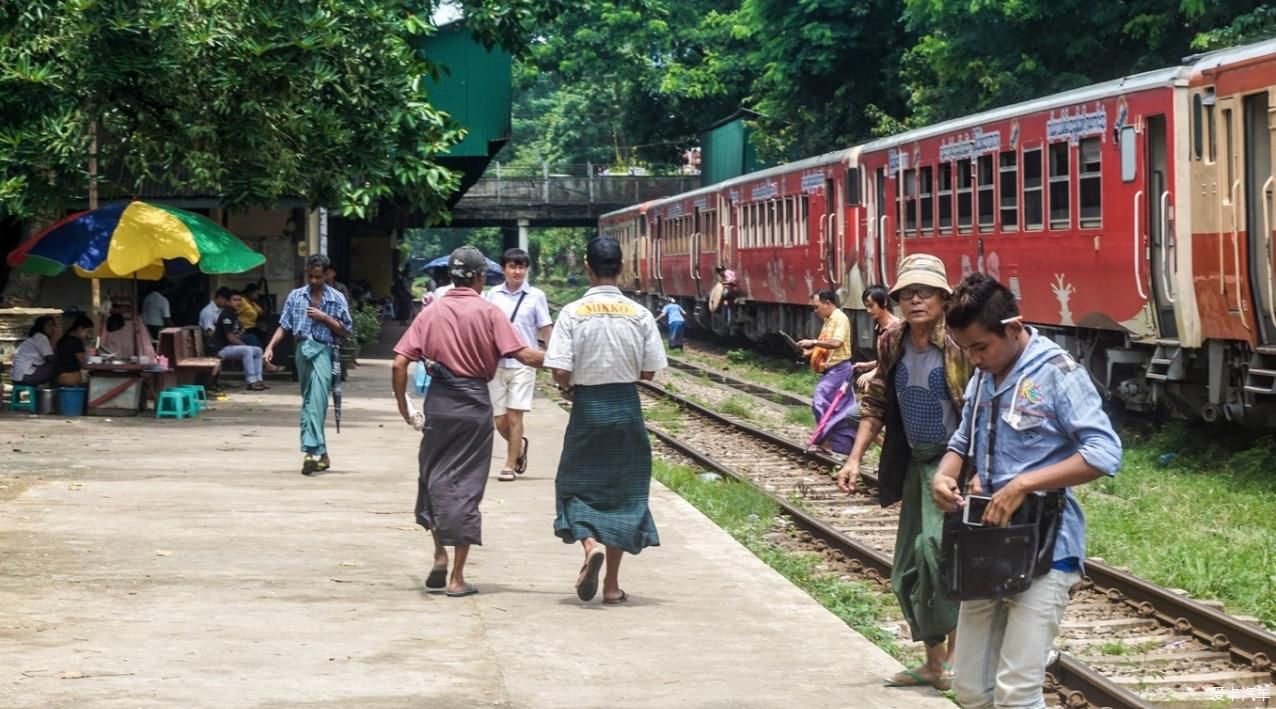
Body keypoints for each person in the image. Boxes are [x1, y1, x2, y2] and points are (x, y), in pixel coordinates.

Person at [933, 273, 1121, 709]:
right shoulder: (985, 374)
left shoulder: (1057, 374)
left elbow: (1104, 452)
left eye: (981, 347)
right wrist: (945, 474)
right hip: (986, 540)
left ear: (1014, 328)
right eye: (966, 350)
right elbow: (963, 440)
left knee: (1017, 691)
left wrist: (1024, 484)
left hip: (1046, 545)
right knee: (970, 689)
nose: (975, 359)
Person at [836, 254, 972, 690]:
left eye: (925, 292)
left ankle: (956, 658)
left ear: (943, 298)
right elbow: (875, 404)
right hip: (914, 464)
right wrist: (855, 457)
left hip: (952, 465)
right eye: (907, 293)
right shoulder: (891, 341)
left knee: (939, 553)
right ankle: (933, 661)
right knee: (908, 566)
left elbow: (975, 407)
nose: (915, 300)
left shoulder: (958, 343)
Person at [390, 246, 544, 597]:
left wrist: (403, 406)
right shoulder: (489, 312)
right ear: (478, 278)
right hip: (474, 405)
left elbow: (399, 363)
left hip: (440, 404)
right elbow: (524, 355)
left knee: (434, 477)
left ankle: (439, 555)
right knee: (466, 486)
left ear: (449, 276)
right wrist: (567, 363)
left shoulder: (431, 312)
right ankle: (457, 578)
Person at [545, 236, 667, 604]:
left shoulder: (570, 313)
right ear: (622, 267)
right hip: (626, 409)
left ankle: (589, 544)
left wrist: (569, 385)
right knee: (624, 494)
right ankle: (612, 586)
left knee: (575, 484)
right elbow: (649, 372)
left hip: (588, 409)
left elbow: (559, 371)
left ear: (587, 266)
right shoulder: (641, 314)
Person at [265, 254, 353, 476]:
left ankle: (311, 453)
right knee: (308, 401)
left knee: (318, 400)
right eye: (311, 276)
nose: (314, 281)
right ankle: (321, 454)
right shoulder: (296, 297)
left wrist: (324, 318)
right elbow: (284, 326)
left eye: (318, 277)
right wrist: (270, 347)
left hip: (324, 350)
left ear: (327, 275)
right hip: (302, 350)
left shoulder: (336, 298)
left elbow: (346, 332)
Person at [483, 248, 553, 482]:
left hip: (524, 364)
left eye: (522, 267)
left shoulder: (536, 296)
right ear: (503, 269)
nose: (517, 271)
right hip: (497, 364)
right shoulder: (492, 295)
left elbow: (545, 328)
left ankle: (509, 465)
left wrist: (553, 357)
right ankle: (520, 447)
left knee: (515, 417)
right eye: (513, 266)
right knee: (500, 420)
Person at [800, 289, 856, 455]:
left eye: (817, 307)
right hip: (833, 370)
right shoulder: (829, 320)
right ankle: (833, 443)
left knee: (819, 398)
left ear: (827, 303)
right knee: (838, 408)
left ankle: (825, 440)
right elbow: (825, 345)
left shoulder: (840, 319)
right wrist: (810, 351)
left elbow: (837, 342)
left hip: (839, 369)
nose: (815, 310)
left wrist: (813, 341)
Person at [214, 291, 268, 392]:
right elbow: (230, 338)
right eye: (234, 300)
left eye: (239, 300)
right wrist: (244, 345)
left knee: (258, 350)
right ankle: (251, 382)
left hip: (232, 348)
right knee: (247, 350)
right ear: (228, 302)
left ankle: (258, 380)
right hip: (223, 349)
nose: (238, 302)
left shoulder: (234, 314)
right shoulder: (226, 315)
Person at [12, 316, 58, 387]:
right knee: (57, 368)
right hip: (25, 376)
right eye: (49, 325)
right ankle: (55, 392)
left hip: (17, 376)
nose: (52, 328)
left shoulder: (36, 337)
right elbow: (50, 358)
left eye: (53, 325)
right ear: (41, 326)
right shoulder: (41, 337)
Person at [54, 315, 95, 387]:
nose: (88, 335)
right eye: (87, 331)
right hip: (71, 378)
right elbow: (84, 364)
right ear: (80, 328)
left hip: (59, 377)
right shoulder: (76, 342)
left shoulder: (63, 339)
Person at [238, 283, 266, 347]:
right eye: (256, 293)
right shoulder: (242, 301)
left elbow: (260, 311)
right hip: (245, 328)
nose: (257, 295)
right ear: (250, 292)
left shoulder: (252, 302)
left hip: (253, 327)